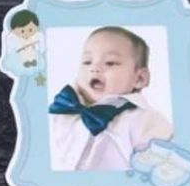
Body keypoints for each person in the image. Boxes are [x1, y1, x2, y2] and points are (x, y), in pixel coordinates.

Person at [48, 26, 173, 171]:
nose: (94, 68)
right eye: (87, 61)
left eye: (110, 63)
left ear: (139, 78)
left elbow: (164, 167)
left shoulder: (145, 120)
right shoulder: (61, 109)